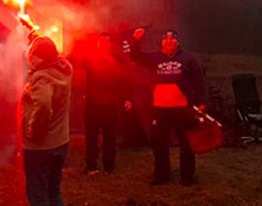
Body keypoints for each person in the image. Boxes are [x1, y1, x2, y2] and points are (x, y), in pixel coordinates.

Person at [19, 35, 73, 206]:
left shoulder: (41, 78)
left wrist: (32, 131)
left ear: (40, 58)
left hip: (41, 146)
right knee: (53, 192)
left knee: (38, 195)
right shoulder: (64, 68)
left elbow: (43, 106)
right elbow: (52, 54)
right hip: (60, 142)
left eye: (33, 54)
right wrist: (35, 36)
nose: (29, 57)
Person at [129, 29, 206, 186]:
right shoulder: (154, 58)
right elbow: (135, 57)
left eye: (172, 39)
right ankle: (161, 175)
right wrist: (136, 41)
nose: (169, 41)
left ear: (177, 42)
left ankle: (187, 177)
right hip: (160, 108)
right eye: (166, 39)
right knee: (159, 143)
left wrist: (202, 102)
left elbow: (199, 81)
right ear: (162, 43)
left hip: (183, 108)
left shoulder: (188, 59)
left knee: (186, 144)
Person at [77, 33, 133, 175]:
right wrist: (78, 44)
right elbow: (76, 60)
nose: (103, 44)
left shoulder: (116, 60)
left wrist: (127, 98)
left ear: (110, 44)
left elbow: (124, 79)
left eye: (106, 41)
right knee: (91, 137)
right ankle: (91, 167)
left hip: (110, 105)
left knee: (110, 136)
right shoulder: (90, 59)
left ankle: (109, 167)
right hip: (92, 105)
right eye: (100, 41)